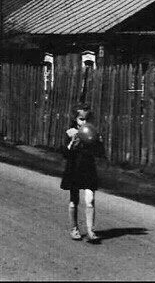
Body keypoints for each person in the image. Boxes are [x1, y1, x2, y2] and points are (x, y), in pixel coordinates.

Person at [60, 104, 103, 244]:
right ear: (75, 119)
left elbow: (100, 153)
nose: (83, 122)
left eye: (86, 119)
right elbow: (65, 154)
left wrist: (98, 142)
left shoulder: (92, 132)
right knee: (74, 200)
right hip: (74, 168)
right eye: (81, 119)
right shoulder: (70, 132)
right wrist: (72, 142)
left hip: (88, 168)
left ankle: (91, 231)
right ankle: (74, 228)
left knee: (90, 200)